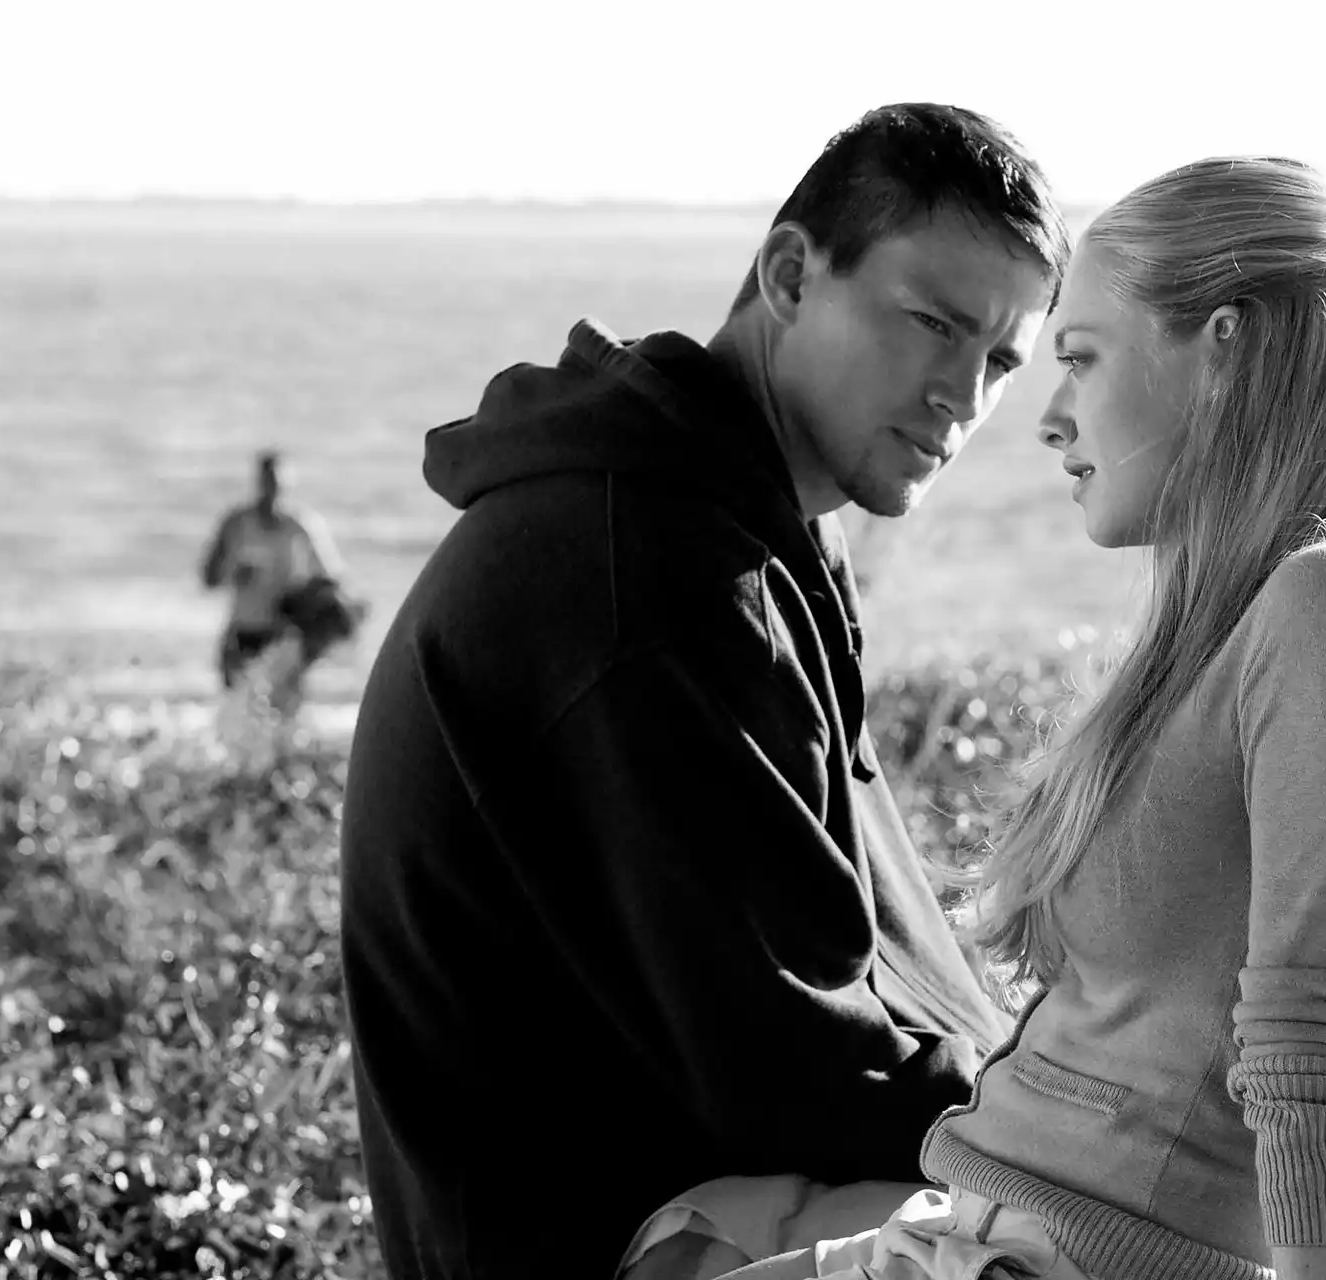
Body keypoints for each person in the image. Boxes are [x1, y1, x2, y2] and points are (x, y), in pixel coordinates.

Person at [723, 158, 1326, 1280]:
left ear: (1224, 351)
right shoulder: (1249, 619)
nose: (1046, 417)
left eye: (1080, 359)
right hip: (981, 1229)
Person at [336, 104, 1071, 1280]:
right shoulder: (642, 571)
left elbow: (868, 976)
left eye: (998, 360)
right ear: (790, 272)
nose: (960, 394)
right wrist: (1073, 1130)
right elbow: (792, 1063)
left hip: (712, 1194)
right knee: (1072, 1245)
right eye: (931, 322)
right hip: (618, 1236)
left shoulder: (741, 529)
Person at [197, 450, 350, 710]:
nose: (272, 492)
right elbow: (209, 578)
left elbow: (333, 577)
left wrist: (305, 597)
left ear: (288, 484)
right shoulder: (237, 522)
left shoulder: (300, 524)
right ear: (258, 482)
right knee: (236, 711)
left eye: (278, 484)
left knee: (283, 714)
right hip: (242, 629)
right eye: (268, 483)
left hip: (282, 633)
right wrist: (235, 572)